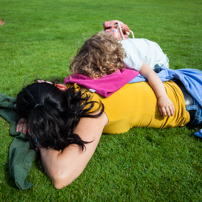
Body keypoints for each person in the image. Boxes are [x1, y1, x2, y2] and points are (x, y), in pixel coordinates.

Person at [16, 73, 202, 189]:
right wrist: (35, 112)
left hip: (193, 103)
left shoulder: (93, 110)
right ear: (59, 88)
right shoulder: (78, 84)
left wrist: (40, 133)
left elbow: (60, 176)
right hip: (185, 82)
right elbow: (44, 96)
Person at [69, 31, 174, 117]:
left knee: (140, 78)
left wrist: (162, 97)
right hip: (142, 49)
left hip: (156, 59)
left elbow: (151, 74)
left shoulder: (128, 58)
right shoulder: (96, 54)